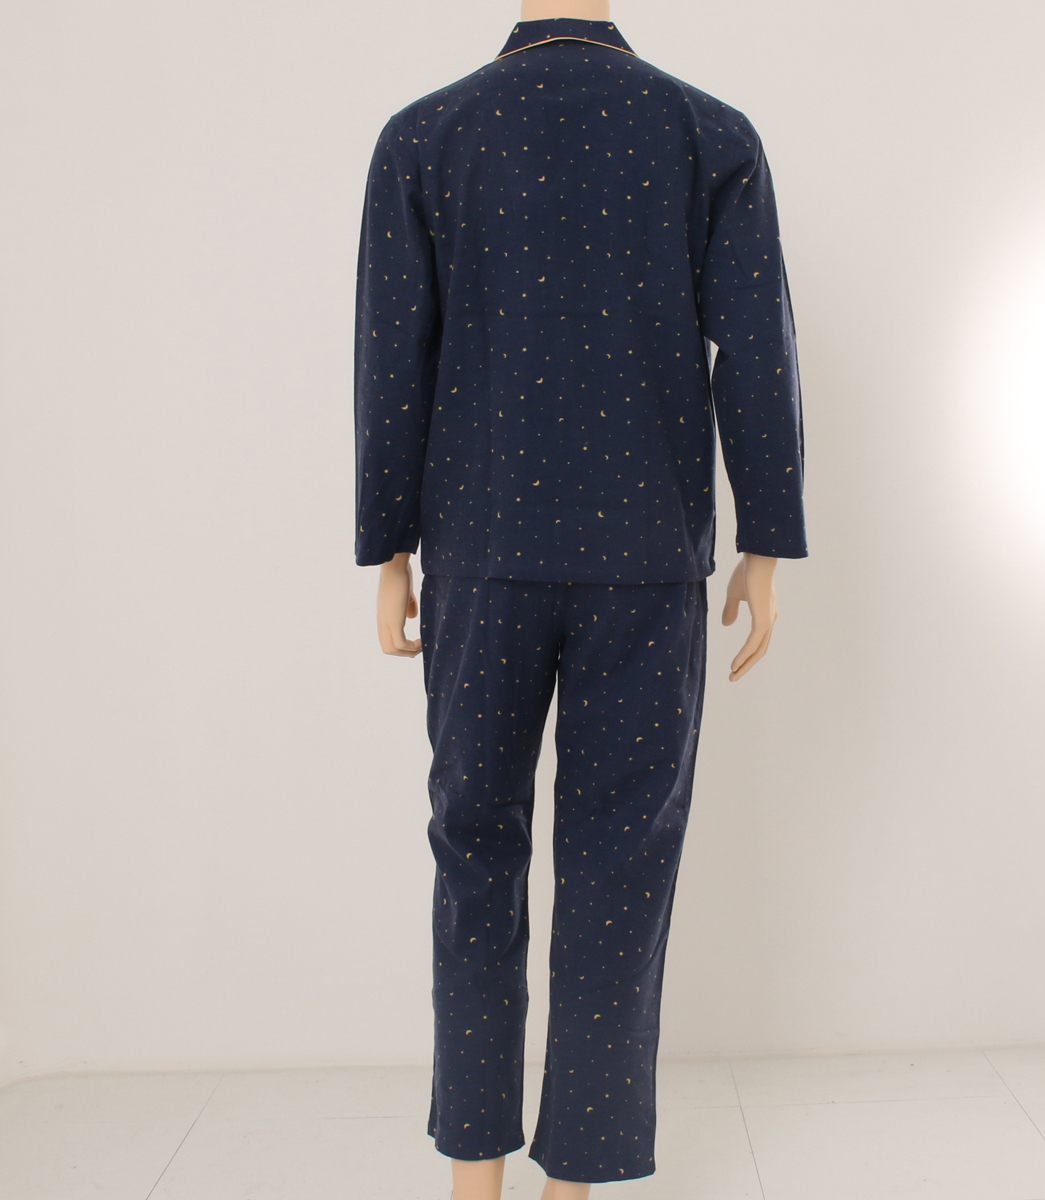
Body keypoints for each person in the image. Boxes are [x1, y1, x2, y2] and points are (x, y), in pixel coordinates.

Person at [354, 1, 807, 1196]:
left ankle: (477, 1179)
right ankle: (574, 1181)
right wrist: (764, 542)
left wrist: (390, 548)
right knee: (620, 874)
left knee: (473, 857)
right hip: (646, 558)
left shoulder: (424, 136)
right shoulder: (708, 134)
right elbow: (755, 348)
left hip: (480, 552)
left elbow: (393, 354)